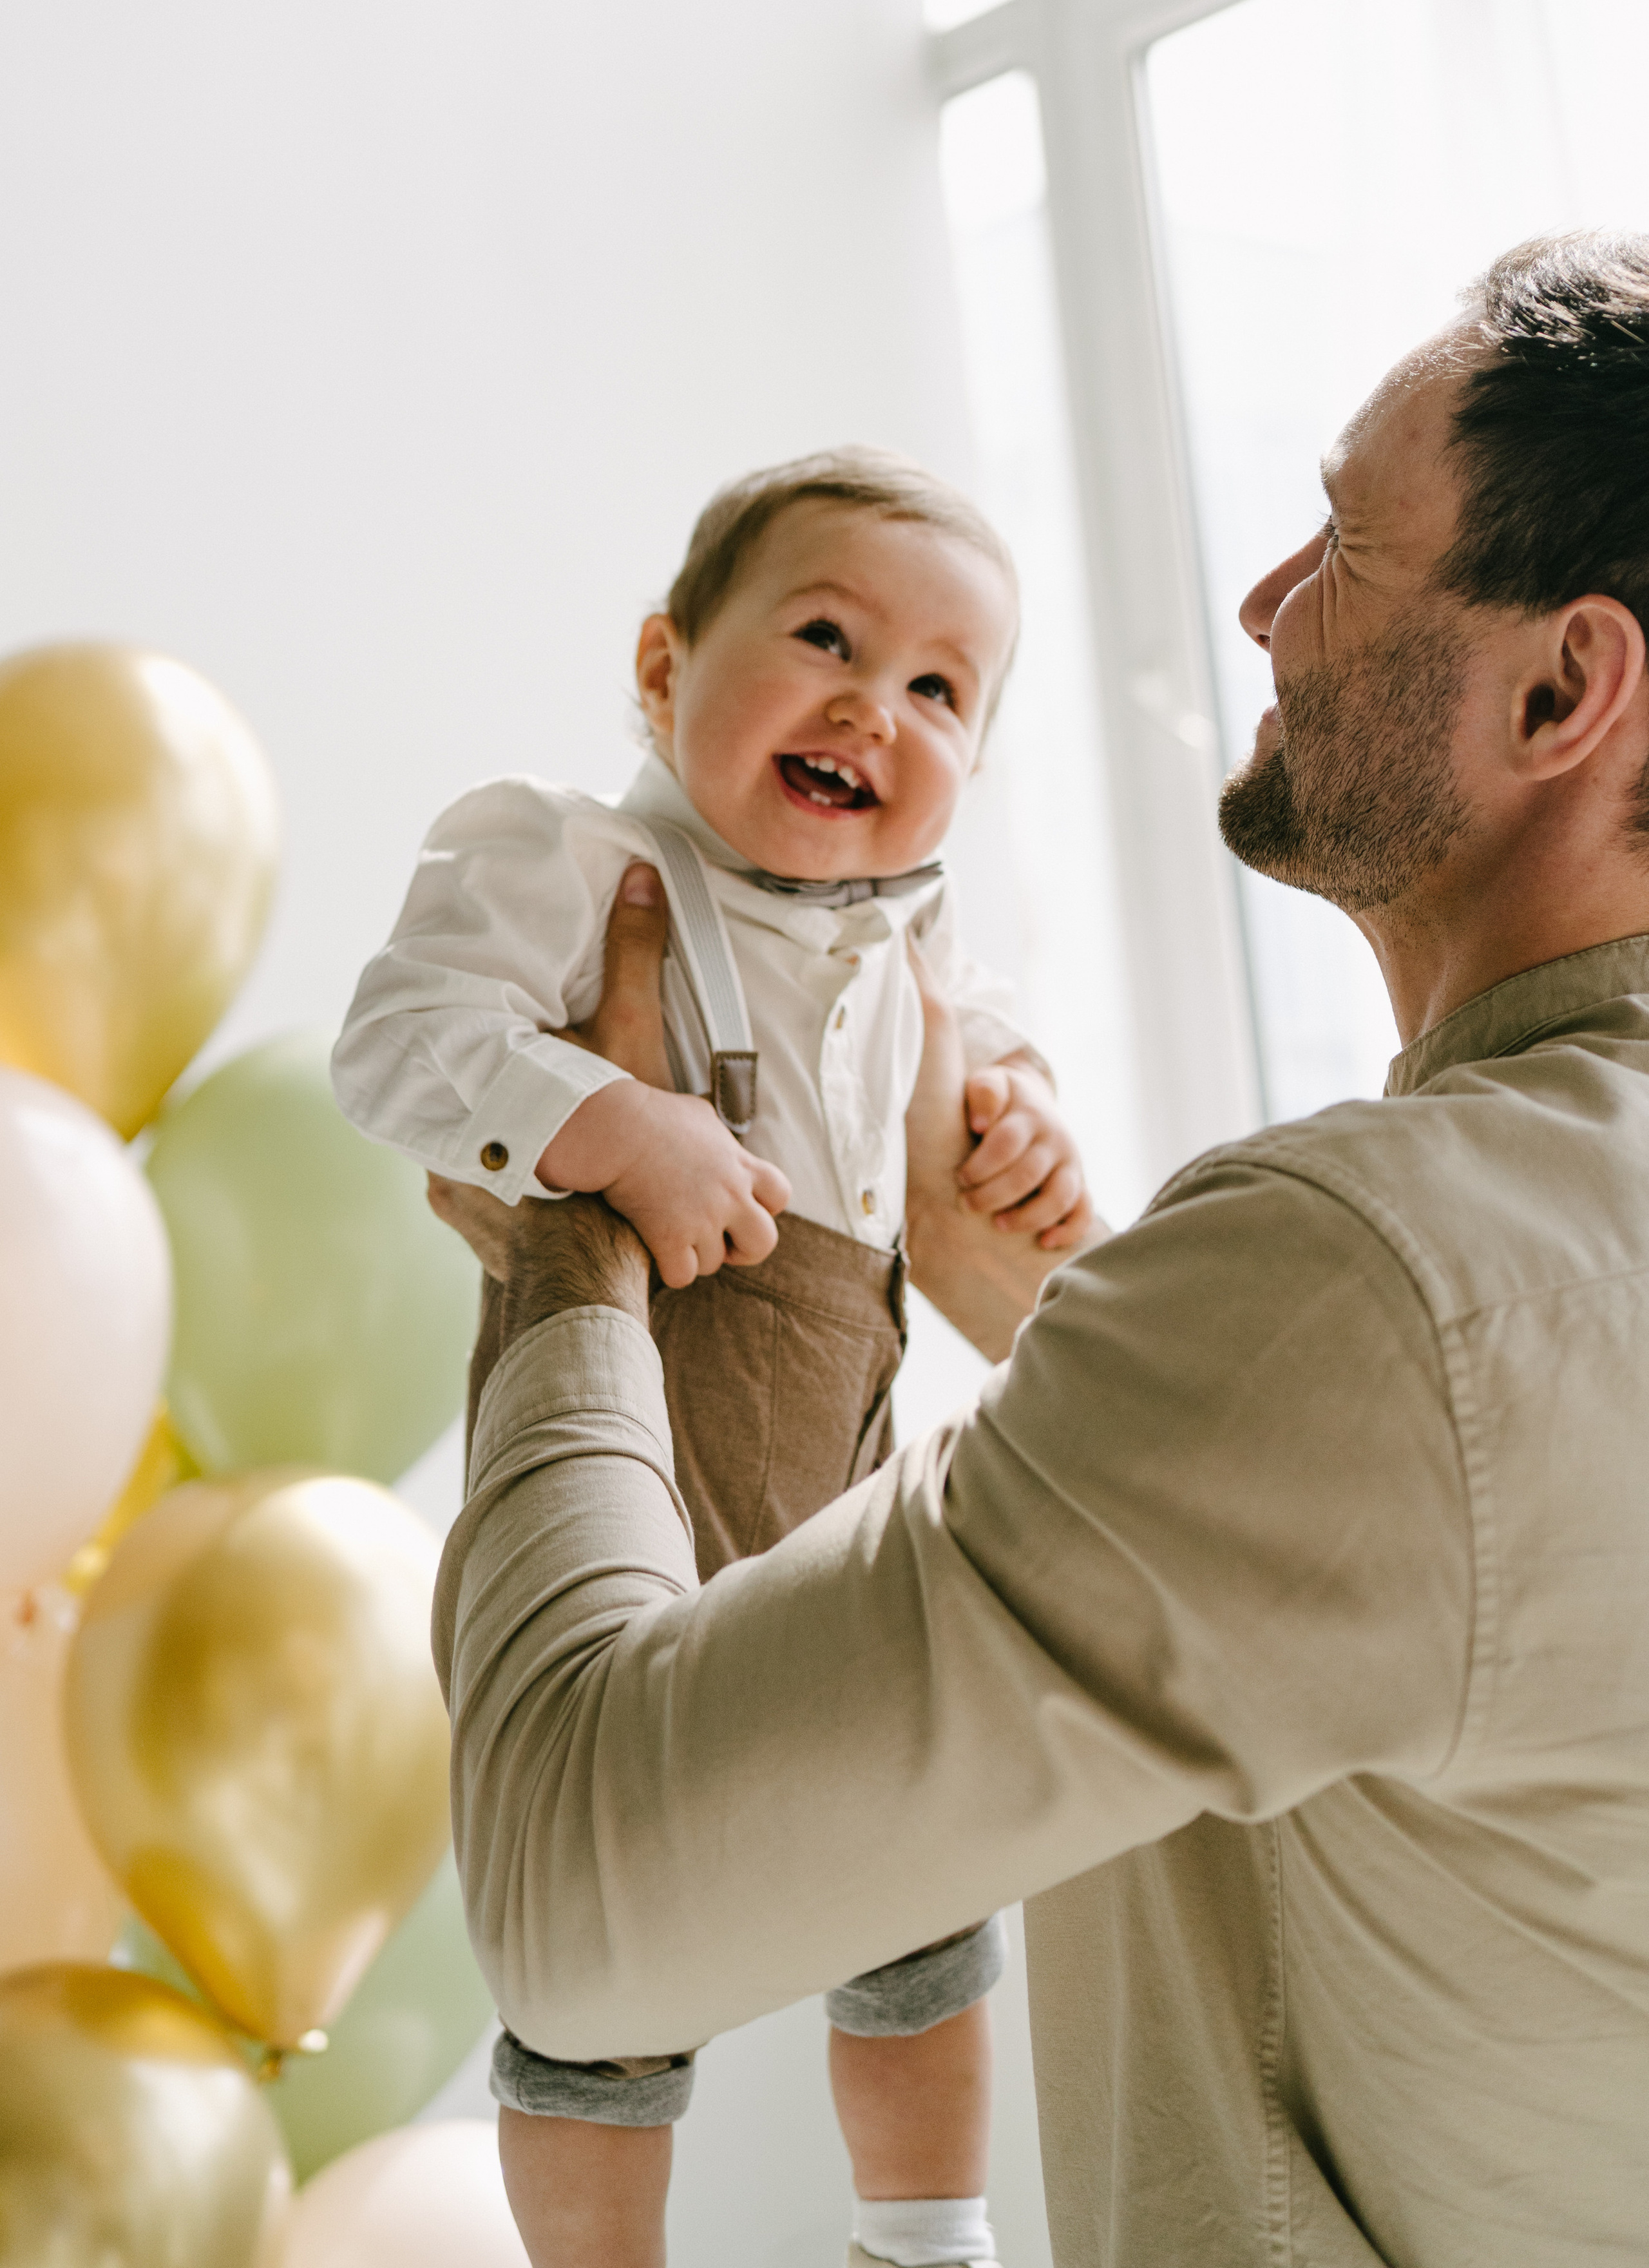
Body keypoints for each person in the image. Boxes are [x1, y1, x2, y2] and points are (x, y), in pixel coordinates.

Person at [428, 230, 1649, 2267]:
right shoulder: (1482, 1278)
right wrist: (1031, 1308)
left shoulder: (1363, 1283)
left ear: (1564, 687)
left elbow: (574, 1899)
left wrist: (572, 1225)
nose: (1264, 606)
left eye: (1343, 543)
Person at [332, 448, 1095, 2268]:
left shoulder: (910, 939)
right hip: (623, 1493)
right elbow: (396, 1042)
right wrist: (609, 1121)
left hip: (839, 1493)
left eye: (937, 690)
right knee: (600, 1972)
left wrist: (1023, 1118)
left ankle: (930, 2234)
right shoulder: (577, 861)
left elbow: (982, 1054)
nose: (870, 707)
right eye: (824, 637)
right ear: (667, 673)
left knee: (922, 1899)